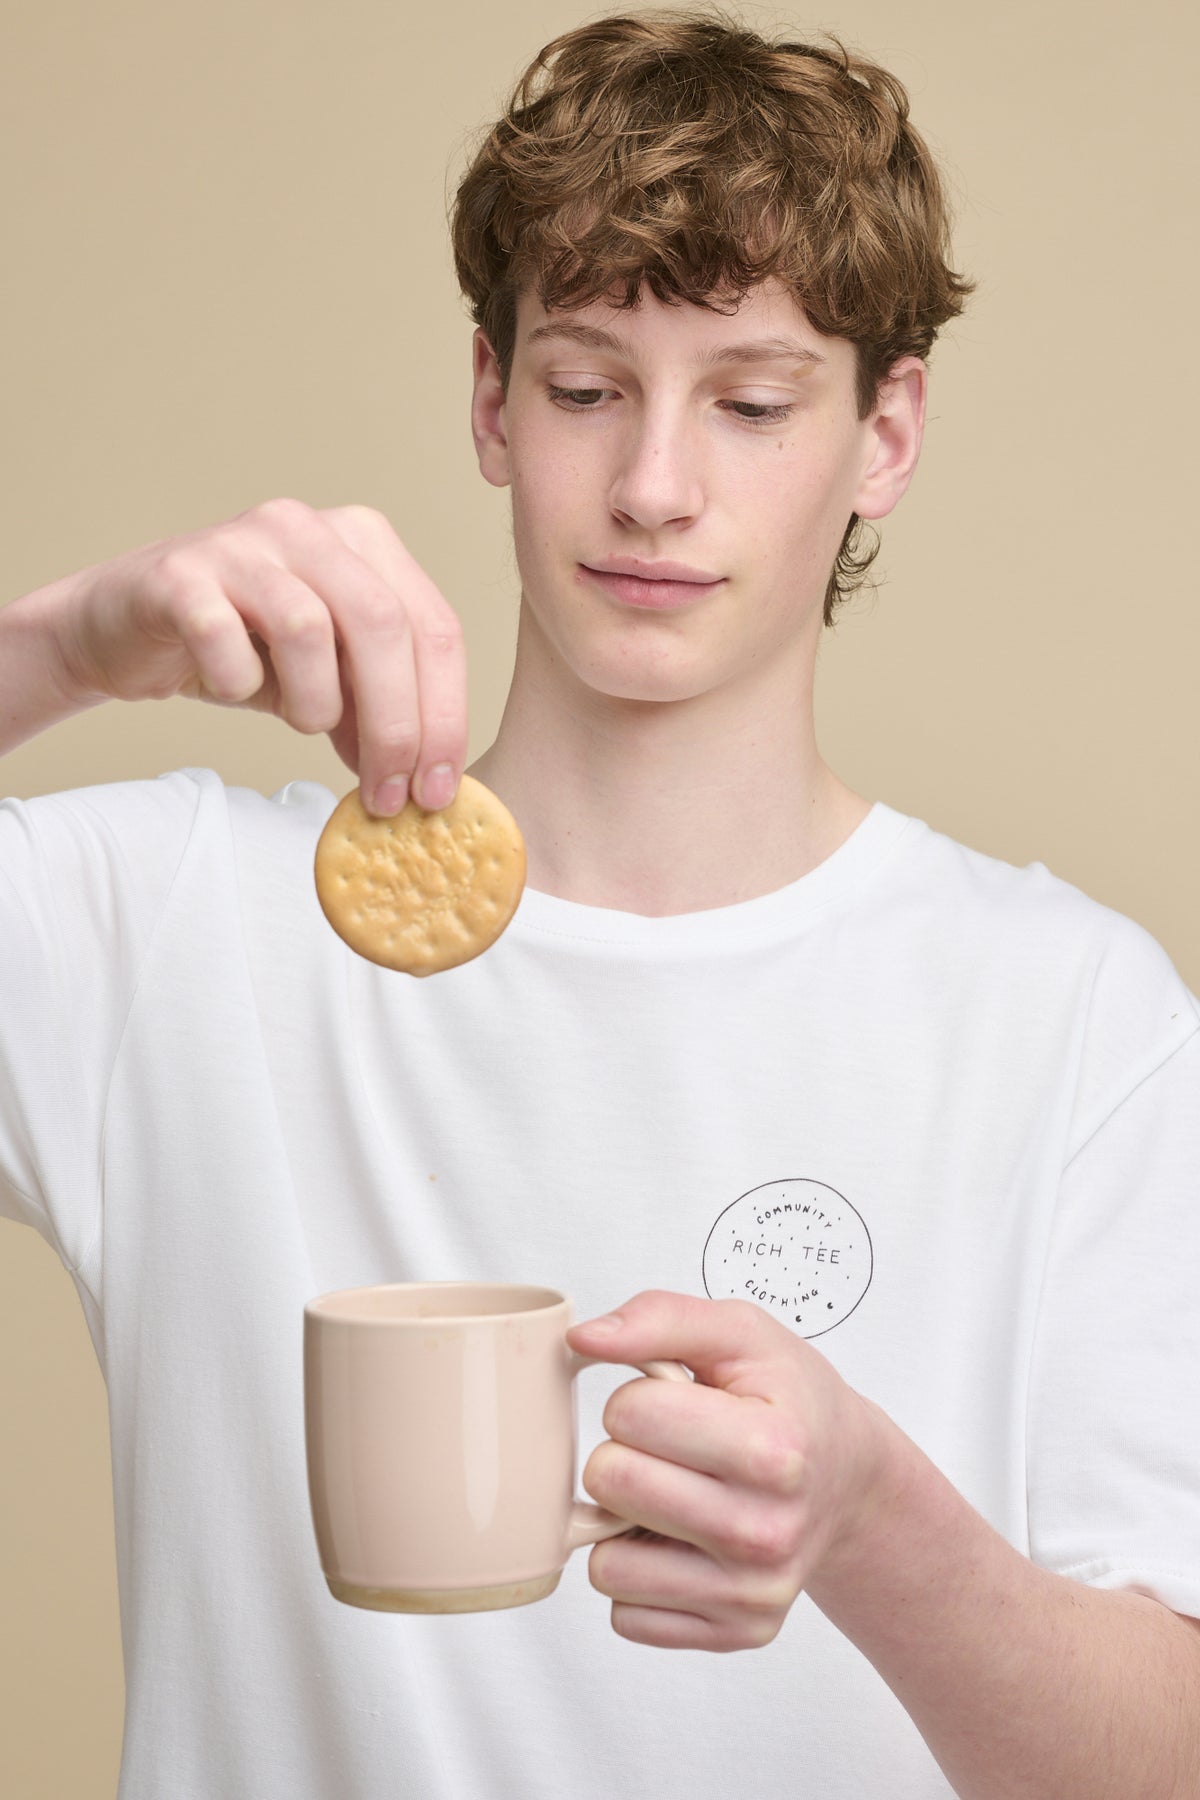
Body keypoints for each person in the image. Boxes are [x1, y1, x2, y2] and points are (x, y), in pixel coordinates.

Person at [2, 8, 1198, 1797]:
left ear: (886, 433)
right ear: (490, 403)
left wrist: (870, 1521)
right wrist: (64, 644)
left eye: (752, 400)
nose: (652, 484)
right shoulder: (167, 926)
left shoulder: (1076, 1019)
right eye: (584, 387)